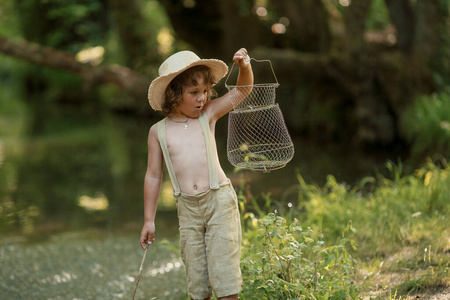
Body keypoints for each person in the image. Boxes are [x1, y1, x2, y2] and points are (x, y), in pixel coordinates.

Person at [140, 48, 253, 300]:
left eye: (204, 91)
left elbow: (242, 91)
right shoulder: (158, 132)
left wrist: (245, 67)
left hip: (218, 203)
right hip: (188, 212)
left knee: (225, 280)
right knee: (197, 285)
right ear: (173, 95)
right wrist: (149, 219)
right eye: (193, 93)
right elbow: (153, 176)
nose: (201, 98)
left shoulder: (208, 116)